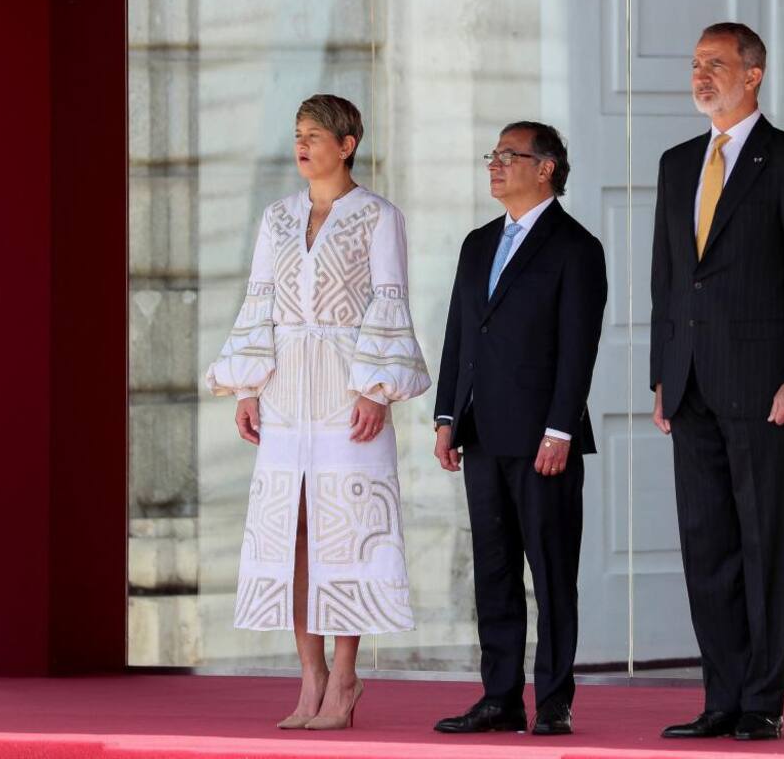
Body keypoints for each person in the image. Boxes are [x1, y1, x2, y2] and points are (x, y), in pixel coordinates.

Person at [205, 94, 431, 730]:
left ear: (347, 142)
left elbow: (390, 301)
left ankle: (347, 675)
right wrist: (247, 387)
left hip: (345, 390)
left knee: (346, 532)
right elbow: (259, 304)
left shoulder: (379, 217)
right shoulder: (276, 219)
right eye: (297, 134)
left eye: (314, 135)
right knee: (292, 534)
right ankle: (311, 679)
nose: (302, 145)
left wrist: (375, 389)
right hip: (284, 395)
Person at [649, 22, 784, 741]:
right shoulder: (675, 164)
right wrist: (661, 376)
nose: (701, 76)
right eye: (696, 64)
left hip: (763, 388)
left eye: (717, 65)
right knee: (706, 547)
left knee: (762, 545)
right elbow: (669, 280)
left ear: (753, 75)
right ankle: (720, 698)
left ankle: (761, 701)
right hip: (690, 385)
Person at [432, 121, 607, 737]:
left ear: (547, 168)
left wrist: (560, 429)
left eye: (511, 156)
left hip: (542, 443)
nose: (496, 164)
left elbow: (577, 349)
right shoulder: (478, 244)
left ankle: (553, 701)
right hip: (481, 436)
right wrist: (447, 416)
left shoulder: (575, 247)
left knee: (552, 573)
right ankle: (500, 696)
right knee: (495, 571)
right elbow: (460, 334)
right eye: (493, 155)